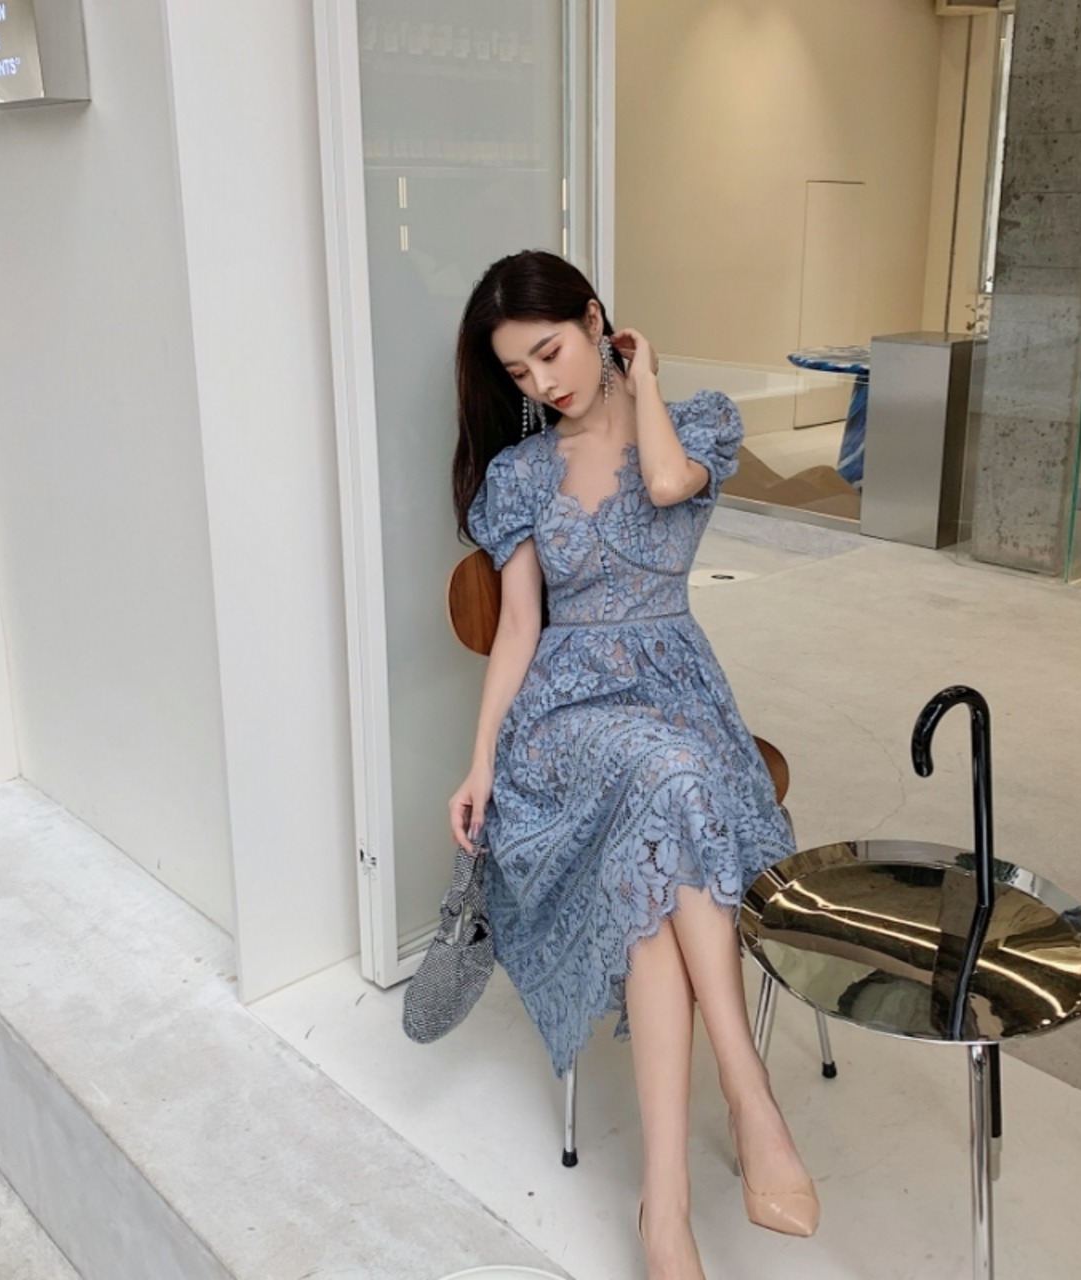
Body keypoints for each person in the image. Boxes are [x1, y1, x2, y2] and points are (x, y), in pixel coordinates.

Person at [448, 250, 818, 1280]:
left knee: (654, 879)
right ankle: (750, 1096)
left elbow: (664, 484)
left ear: (594, 318)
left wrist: (641, 377)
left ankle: (666, 1205)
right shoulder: (521, 474)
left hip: (676, 690)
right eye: (517, 372)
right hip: (565, 718)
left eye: (550, 352)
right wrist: (479, 763)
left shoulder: (691, 425)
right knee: (670, 780)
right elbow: (519, 628)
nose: (541, 383)